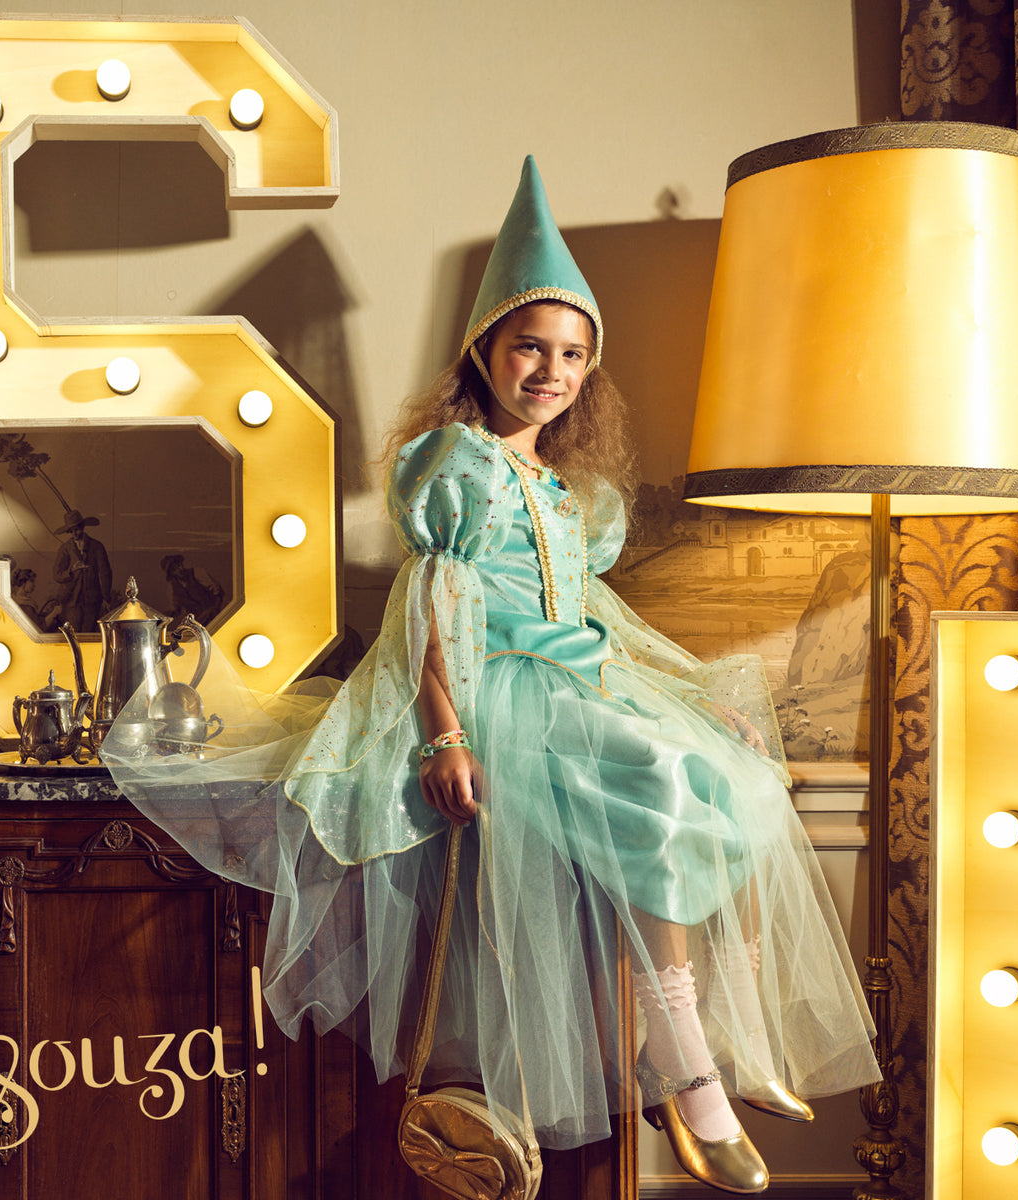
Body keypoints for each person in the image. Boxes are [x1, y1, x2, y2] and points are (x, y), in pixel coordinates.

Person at [102, 157, 879, 1194]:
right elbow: (432, 603)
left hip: (584, 679)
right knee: (658, 776)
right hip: (503, 688)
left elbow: (597, 615)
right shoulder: (457, 462)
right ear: (485, 350)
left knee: (730, 776)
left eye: (572, 354)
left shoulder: (564, 487)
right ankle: (685, 1058)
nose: (551, 371)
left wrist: (696, 700)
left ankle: (719, 1036)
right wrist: (445, 732)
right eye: (530, 347)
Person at [52, 508, 112, 631]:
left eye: (77, 529)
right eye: (71, 531)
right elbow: (57, 575)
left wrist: (106, 597)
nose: (75, 533)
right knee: (73, 632)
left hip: (92, 601)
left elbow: (105, 573)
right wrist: (71, 570)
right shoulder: (65, 548)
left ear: (83, 527)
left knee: (89, 632)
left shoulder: (97, 546)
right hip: (71, 601)